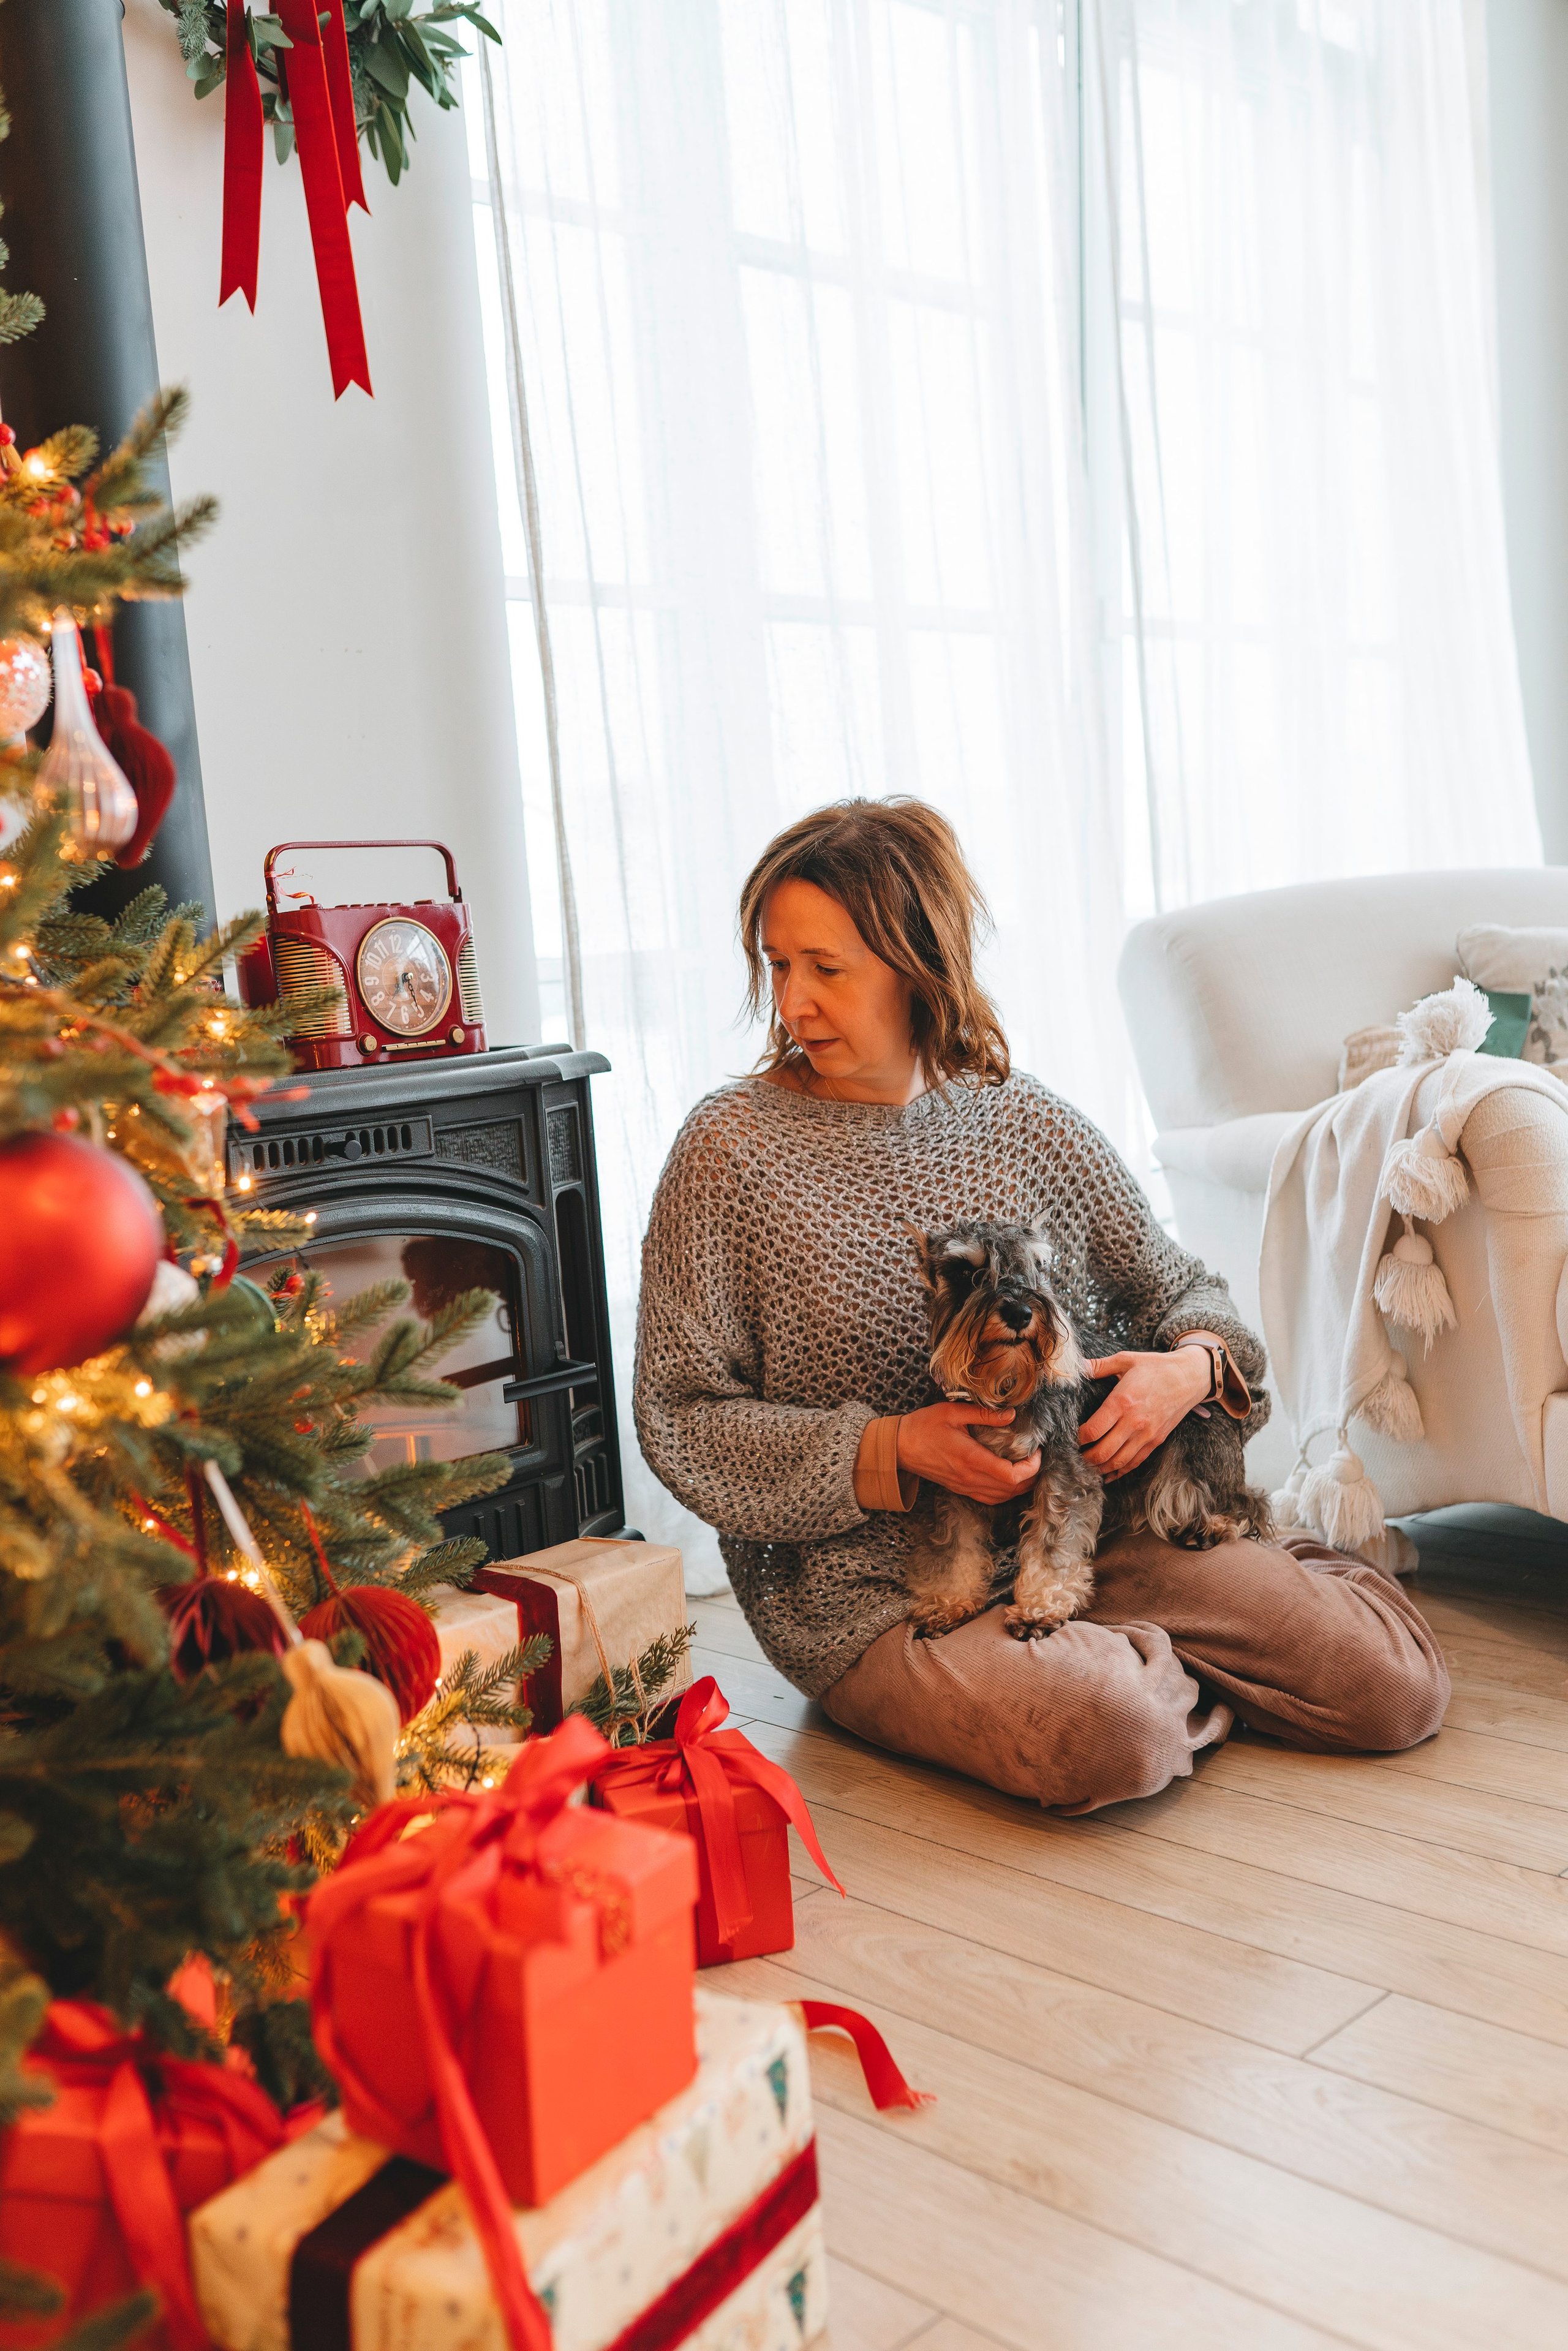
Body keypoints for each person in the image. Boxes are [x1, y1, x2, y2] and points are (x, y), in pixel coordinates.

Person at [634, 799, 1447, 1809]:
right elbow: (680, 1415)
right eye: (778, 963)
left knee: (1394, 1687)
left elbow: (1187, 1290)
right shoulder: (730, 1152)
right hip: (879, 1591)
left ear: (916, 962)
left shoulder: (1025, 1122)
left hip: (1086, 1529)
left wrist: (1182, 1372)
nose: (791, 1002)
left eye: (827, 969)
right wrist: (895, 1450)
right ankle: (1139, 1678)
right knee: (1109, 1736)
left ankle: (1152, 1645)